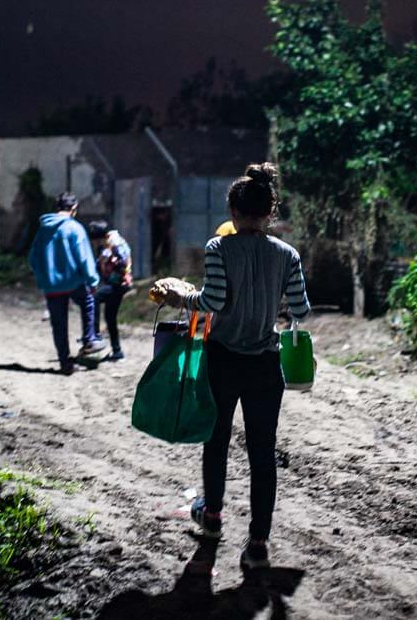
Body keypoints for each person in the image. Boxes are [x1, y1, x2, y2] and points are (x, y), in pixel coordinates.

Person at [162, 162, 311, 571]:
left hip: (224, 359)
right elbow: (301, 311)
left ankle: (211, 519)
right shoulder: (288, 254)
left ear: (232, 212)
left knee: (216, 440)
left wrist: (181, 298)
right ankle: (258, 544)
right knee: (263, 454)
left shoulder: (218, 249)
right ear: (270, 212)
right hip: (266, 364)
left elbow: (212, 303)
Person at [28, 192, 107, 374]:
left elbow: (33, 258)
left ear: (57, 209)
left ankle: (65, 364)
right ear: (74, 208)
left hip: (52, 285)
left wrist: (43, 277)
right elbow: (84, 258)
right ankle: (89, 339)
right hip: (73, 281)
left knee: (58, 323)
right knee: (88, 302)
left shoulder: (43, 229)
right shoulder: (74, 228)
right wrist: (92, 280)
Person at [88, 221, 133, 361]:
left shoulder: (116, 243)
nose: (95, 243)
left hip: (119, 284)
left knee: (94, 299)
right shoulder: (107, 245)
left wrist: (113, 262)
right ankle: (117, 352)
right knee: (110, 317)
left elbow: (124, 263)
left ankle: (94, 334)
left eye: (96, 240)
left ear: (103, 236)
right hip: (113, 284)